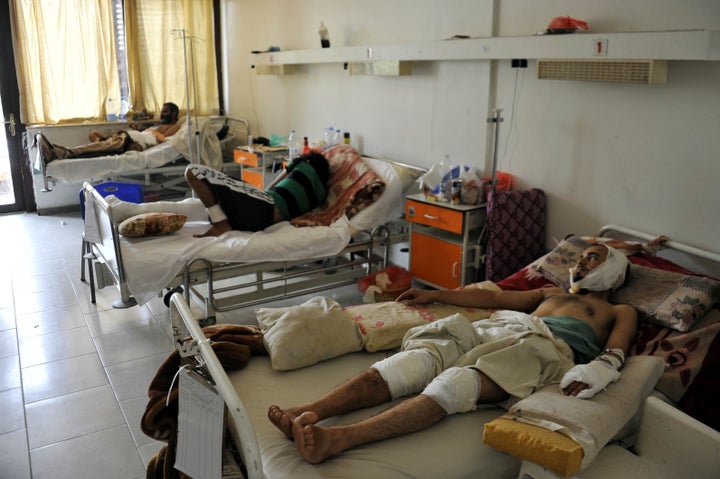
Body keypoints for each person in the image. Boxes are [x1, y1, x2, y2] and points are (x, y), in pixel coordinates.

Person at [268, 244, 637, 464]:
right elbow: (493, 298)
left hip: (541, 350)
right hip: (497, 328)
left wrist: (593, 374)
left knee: (453, 386)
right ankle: (305, 411)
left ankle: (341, 439)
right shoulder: (547, 292)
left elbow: (613, 357)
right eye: (582, 258)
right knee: (404, 366)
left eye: (593, 259)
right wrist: (437, 294)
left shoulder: (620, 312)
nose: (581, 264)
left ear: (614, 271)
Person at [185, 151, 330, 236]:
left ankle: (220, 223)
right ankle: (219, 220)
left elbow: (271, 186)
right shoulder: (321, 195)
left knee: (192, 171)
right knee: (217, 201)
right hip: (259, 221)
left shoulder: (303, 164)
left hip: (264, 202)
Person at [36, 102, 181, 162]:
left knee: (96, 148)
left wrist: (149, 132)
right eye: (162, 111)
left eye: (166, 112)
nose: (162, 114)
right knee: (95, 142)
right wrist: (141, 130)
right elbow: (151, 134)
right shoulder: (157, 125)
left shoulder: (175, 126)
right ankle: (57, 150)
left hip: (132, 143)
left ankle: (59, 152)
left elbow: (163, 139)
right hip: (130, 137)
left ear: (174, 114)